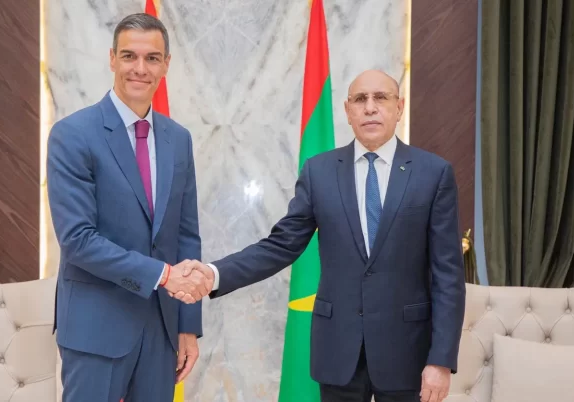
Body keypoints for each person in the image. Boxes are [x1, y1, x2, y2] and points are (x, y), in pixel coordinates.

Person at [175, 70, 466, 402]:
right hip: (338, 352)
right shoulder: (320, 171)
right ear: (348, 110)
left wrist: (441, 360)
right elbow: (280, 245)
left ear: (399, 107)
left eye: (381, 98)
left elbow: (448, 275)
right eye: (360, 99)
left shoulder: (433, 173)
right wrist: (213, 274)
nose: (370, 107)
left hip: (408, 352)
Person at [46, 13, 213, 402]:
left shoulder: (179, 140)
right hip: (95, 330)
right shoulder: (72, 135)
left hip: (161, 332)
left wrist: (187, 325)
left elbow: (186, 236)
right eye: (129, 56)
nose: (140, 68)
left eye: (152, 58)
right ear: (112, 59)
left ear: (166, 65)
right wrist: (163, 275)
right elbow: (78, 240)